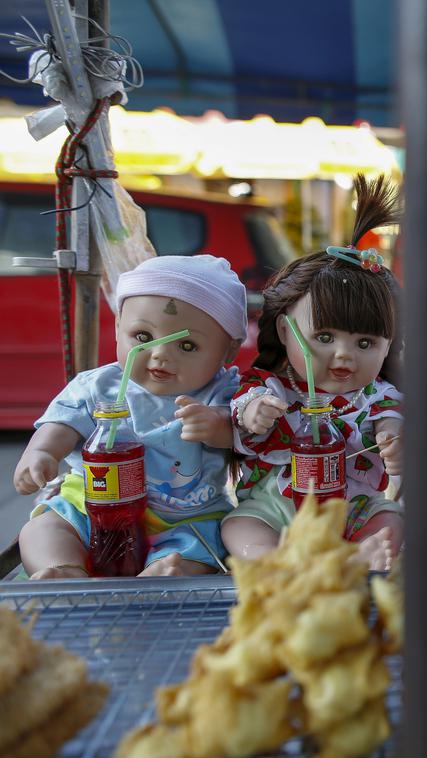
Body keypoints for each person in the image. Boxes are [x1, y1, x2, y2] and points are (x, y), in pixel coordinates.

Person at [16, 255, 246, 578]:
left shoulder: (222, 392)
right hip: (93, 507)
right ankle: (63, 570)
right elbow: (63, 423)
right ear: (118, 327)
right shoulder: (98, 386)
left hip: (184, 518)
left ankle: (163, 573)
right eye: (142, 337)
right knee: (44, 528)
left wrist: (219, 426)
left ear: (229, 351)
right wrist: (41, 452)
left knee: (196, 551)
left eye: (187, 345)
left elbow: (245, 427)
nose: (160, 354)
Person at [223, 175, 404, 571]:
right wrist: (254, 413)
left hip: (352, 510)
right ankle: (279, 562)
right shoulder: (271, 386)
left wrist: (395, 441)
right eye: (324, 336)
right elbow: (244, 406)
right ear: (286, 332)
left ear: (388, 346)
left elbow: (392, 421)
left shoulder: (378, 396)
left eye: (365, 343)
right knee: (239, 527)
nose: (344, 356)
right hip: (276, 507)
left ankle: (358, 556)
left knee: (390, 518)